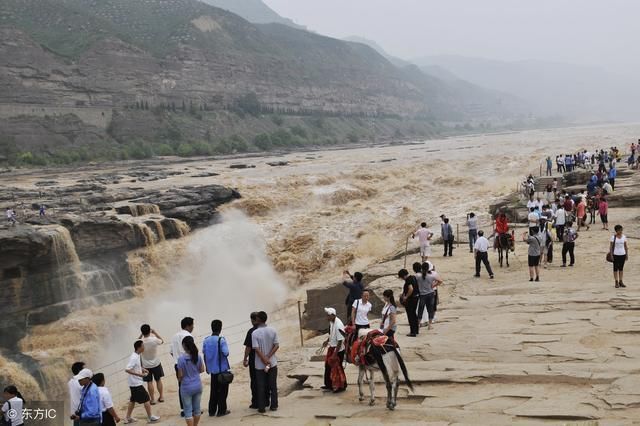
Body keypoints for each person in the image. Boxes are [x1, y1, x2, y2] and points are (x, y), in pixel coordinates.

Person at [124, 341, 160, 424]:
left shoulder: (136, 355)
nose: (144, 347)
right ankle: (150, 417)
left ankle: (127, 418)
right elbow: (127, 369)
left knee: (132, 400)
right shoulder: (134, 357)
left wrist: (143, 369)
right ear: (139, 347)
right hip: (136, 383)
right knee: (147, 398)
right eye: (143, 346)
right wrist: (140, 374)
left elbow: (136, 366)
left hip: (133, 383)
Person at [252, 311, 279, 413]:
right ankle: (274, 405)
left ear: (258, 320)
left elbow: (256, 348)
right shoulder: (273, 330)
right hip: (272, 363)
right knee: (273, 385)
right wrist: (268, 357)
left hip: (259, 365)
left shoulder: (255, 333)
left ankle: (262, 407)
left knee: (261, 386)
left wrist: (264, 359)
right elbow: (276, 345)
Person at [202, 320, 231, 417]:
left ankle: (211, 411)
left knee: (213, 391)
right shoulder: (221, 340)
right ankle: (221, 411)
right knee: (223, 391)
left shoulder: (206, 340)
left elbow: (204, 355)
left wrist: (207, 367)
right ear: (220, 328)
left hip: (212, 371)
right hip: (222, 371)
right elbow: (226, 353)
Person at [177, 336, 204, 426]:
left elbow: (180, 375)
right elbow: (202, 370)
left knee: (188, 411)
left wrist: (180, 379)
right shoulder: (198, 356)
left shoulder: (181, 359)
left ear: (184, 346)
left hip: (186, 387)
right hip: (197, 385)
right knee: (197, 409)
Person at [170, 317, 194, 417]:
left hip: (177, 364)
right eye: (192, 325)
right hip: (187, 364)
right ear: (188, 326)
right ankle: (191, 409)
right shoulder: (188, 336)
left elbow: (171, 352)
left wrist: (177, 358)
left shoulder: (174, 336)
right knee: (191, 385)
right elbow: (192, 351)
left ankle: (183, 409)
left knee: (181, 387)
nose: (193, 327)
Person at [321, 307, 347, 393]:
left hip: (338, 349)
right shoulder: (332, 322)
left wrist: (335, 354)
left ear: (333, 315)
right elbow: (331, 334)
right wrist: (327, 341)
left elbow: (340, 340)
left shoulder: (338, 324)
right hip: (332, 347)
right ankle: (329, 384)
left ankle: (341, 386)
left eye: (328, 316)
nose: (326, 317)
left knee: (338, 367)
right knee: (328, 366)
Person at [139, 324, 164, 405]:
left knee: (149, 382)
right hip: (156, 363)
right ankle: (161, 397)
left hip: (146, 366)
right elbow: (162, 341)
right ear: (149, 331)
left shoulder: (140, 342)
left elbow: (136, 342)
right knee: (158, 380)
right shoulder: (154, 339)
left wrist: (141, 334)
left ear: (142, 332)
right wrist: (155, 332)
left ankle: (152, 399)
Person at [242, 312, 262, 410]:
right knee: (264, 380)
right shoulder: (265, 330)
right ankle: (266, 401)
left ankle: (256, 402)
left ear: (254, 320)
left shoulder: (251, 331)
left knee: (254, 381)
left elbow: (248, 347)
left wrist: (245, 358)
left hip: (254, 360)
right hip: (265, 359)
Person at [416, 262, 442, 329]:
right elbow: (440, 281)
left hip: (422, 295)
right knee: (430, 309)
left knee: (420, 309)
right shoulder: (431, 276)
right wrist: (434, 285)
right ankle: (430, 325)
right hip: (430, 293)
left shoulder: (418, 276)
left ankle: (418, 324)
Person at [398, 269, 419, 337]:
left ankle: (413, 332)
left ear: (403, 276)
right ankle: (416, 330)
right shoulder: (413, 277)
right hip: (416, 298)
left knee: (410, 316)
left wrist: (406, 297)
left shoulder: (408, 280)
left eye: (401, 277)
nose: (401, 279)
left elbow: (411, 289)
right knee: (414, 314)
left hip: (411, 300)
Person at [69, 361, 86, 425]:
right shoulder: (81, 383)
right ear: (80, 371)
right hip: (82, 412)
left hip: (75, 412)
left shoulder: (70, 382)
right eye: (84, 370)